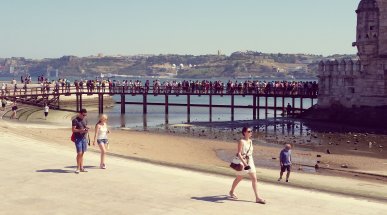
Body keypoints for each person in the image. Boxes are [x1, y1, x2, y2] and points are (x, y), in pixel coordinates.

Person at [229, 127, 266, 204]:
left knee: (254, 178)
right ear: (244, 132)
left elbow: (250, 152)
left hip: (250, 160)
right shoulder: (241, 141)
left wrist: (248, 162)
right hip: (243, 161)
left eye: (251, 131)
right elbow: (239, 154)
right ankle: (231, 191)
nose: (251, 132)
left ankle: (257, 197)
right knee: (239, 178)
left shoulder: (251, 141)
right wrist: (245, 163)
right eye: (249, 131)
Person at [72, 109, 89, 174]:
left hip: (84, 138)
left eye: (85, 115)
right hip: (77, 138)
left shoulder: (85, 119)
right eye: (83, 115)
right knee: (79, 153)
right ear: (80, 113)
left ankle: (81, 167)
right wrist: (81, 130)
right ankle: (78, 168)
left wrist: (86, 129)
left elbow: (85, 126)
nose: (84, 116)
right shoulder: (75, 120)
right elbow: (73, 130)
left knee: (82, 153)